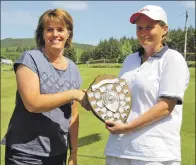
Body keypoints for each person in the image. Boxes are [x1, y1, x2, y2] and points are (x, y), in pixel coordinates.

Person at [1, 8, 89, 165]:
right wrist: (73, 93)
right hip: (25, 154)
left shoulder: (73, 69)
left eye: (61, 29)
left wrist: (73, 152)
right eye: (49, 29)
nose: (55, 34)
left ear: (69, 34)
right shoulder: (30, 59)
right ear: (42, 34)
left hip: (58, 153)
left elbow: (73, 116)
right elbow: (32, 103)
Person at [104, 5, 190, 165]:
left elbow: (165, 107)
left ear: (164, 29)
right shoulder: (129, 60)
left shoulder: (173, 59)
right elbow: (119, 98)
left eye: (149, 27)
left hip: (153, 154)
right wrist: (93, 102)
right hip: (118, 149)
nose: (143, 32)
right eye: (139, 27)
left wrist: (126, 127)